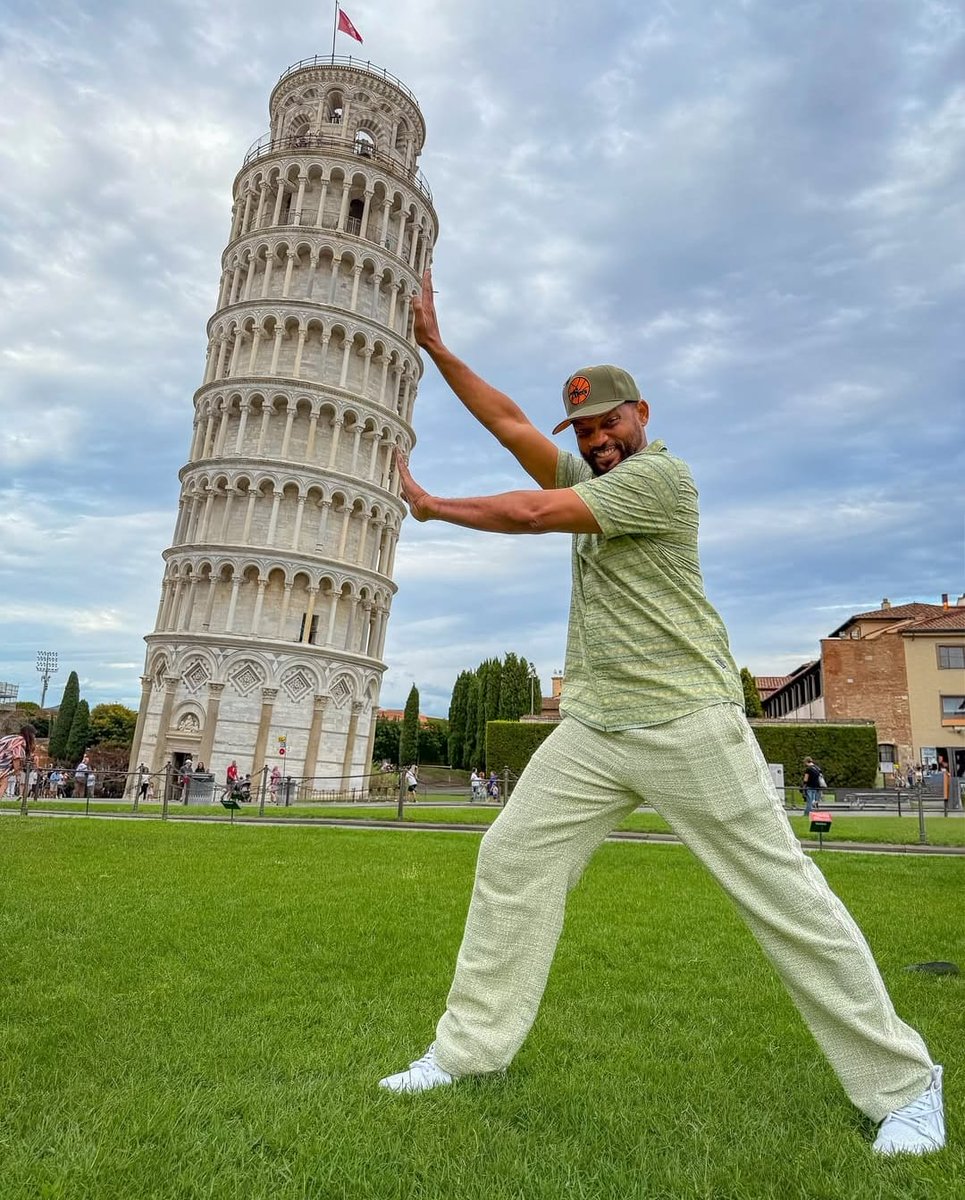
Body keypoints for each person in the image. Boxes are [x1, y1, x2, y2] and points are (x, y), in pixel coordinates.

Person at [376, 270, 945, 1157]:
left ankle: (906, 1087)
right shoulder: (590, 472)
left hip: (688, 723)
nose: (595, 439)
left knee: (783, 898)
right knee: (510, 857)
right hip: (595, 728)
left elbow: (532, 511)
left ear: (638, 413)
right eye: (585, 429)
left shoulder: (661, 483)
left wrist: (433, 505)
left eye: (607, 423)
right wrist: (439, 349)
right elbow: (512, 430)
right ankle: (467, 1052)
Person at [0, 725, 36, 798]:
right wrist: (17, 772)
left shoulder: (12, 737)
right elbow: (16, 757)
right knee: (3, 784)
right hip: (2, 764)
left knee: (3, 782)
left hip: (2, 762)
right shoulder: (20, 741)